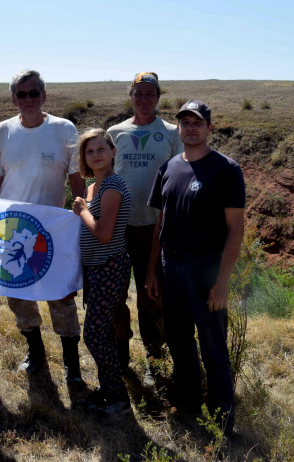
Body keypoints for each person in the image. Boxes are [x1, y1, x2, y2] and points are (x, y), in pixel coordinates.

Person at [145, 100, 245, 435]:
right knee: (178, 339)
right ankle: (188, 402)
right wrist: (151, 271)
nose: (190, 128)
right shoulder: (169, 167)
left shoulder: (226, 169)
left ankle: (222, 420)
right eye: (185, 122)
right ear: (178, 128)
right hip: (171, 267)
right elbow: (160, 223)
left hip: (206, 271)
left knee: (214, 347)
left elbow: (235, 230)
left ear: (209, 129)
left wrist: (223, 283)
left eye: (197, 122)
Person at [0, 70, 86, 384]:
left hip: (53, 231)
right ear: (14, 98)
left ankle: (71, 362)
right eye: (22, 94)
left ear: (44, 96)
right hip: (12, 229)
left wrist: (78, 222)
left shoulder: (64, 129)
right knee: (19, 296)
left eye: (34, 93)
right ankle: (35, 352)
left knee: (61, 295)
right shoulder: (3, 131)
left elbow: (76, 179)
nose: (29, 99)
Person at [107, 72, 182, 384]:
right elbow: (103, 175)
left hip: (155, 228)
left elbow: (180, 173)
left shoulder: (170, 132)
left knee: (151, 296)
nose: (144, 99)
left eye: (150, 93)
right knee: (115, 294)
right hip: (119, 227)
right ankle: (120, 358)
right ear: (130, 96)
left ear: (158, 98)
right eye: (138, 93)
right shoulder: (115, 132)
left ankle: (155, 361)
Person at [72, 129, 131, 414]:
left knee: (94, 334)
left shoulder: (111, 186)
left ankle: (118, 399)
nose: (95, 155)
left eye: (100, 149)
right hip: (96, 269)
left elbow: (104, 234)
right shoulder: (94, 187)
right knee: (103, 331)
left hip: (109, 267)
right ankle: (108, 391)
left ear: (112, 152)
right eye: (89, 151)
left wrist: (82, 210)